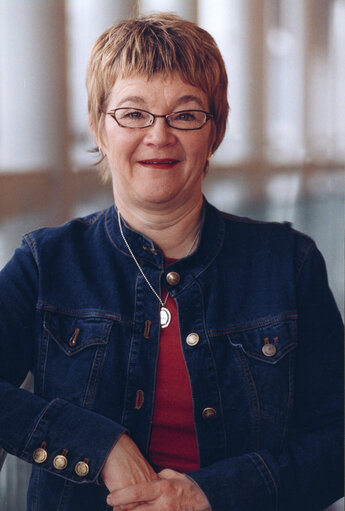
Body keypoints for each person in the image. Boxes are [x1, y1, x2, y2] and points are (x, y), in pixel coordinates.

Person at [0, 12, 343, 511]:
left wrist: (210, 494)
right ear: (99, 127)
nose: (158, 136)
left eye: (184, 114)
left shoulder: (289, 264)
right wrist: (99, 445)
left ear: (215, 131)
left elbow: (336, 440)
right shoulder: (45, 263)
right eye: (133, 113)